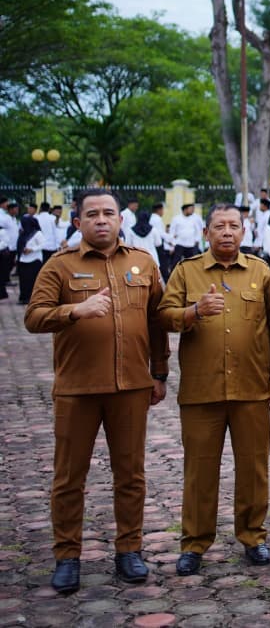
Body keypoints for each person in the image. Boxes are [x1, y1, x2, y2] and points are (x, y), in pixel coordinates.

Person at [24, 189, 168, 593]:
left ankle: (129, 550)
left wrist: (160, 372)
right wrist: (75, 311)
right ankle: (67, 556)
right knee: (69, 477)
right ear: (78, 222)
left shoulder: (142, 263)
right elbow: (33, 317)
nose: (101, 220)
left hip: (131, 387)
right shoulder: (60, 266)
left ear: (121, 219)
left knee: (131, 475)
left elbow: (156, 322)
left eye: (109, 213)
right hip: (78, 389)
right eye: (92, 214)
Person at [159, 204, 270, 574]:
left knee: (253, 467)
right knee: (199, 470)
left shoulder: (260, 272)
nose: (227, 232)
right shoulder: (186, 272)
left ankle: (253, 536)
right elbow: (164, 315)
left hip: (251, 389)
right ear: (206, 233)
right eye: (220, 226)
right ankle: (194, 542)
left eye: (234, 226)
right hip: (202, 391)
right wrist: (193, 312)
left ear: (244, 233)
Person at [16, 214, 46, 303]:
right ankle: (24, 297)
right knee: (23, 280)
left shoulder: (37, 233)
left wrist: (32, 249)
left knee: (32, 280)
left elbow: (43, 244)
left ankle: (31, 298)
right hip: (23, 259)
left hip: (34, 260)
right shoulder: (23, 233)